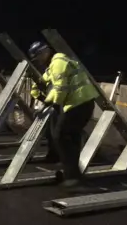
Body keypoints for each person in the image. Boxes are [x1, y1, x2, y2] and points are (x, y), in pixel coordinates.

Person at [28, 41, 98, 188]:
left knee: (61, 135)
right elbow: (52, 83)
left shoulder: (57, 63)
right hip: (82, 103)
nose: (38, 61)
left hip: (78, 104)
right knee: (69, 137)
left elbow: (60, 88)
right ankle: (73, 174)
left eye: (38, 57)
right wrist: (42, 88)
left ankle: (72, 176)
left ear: (44, 52)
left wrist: (50, 104)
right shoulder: (58, 62)